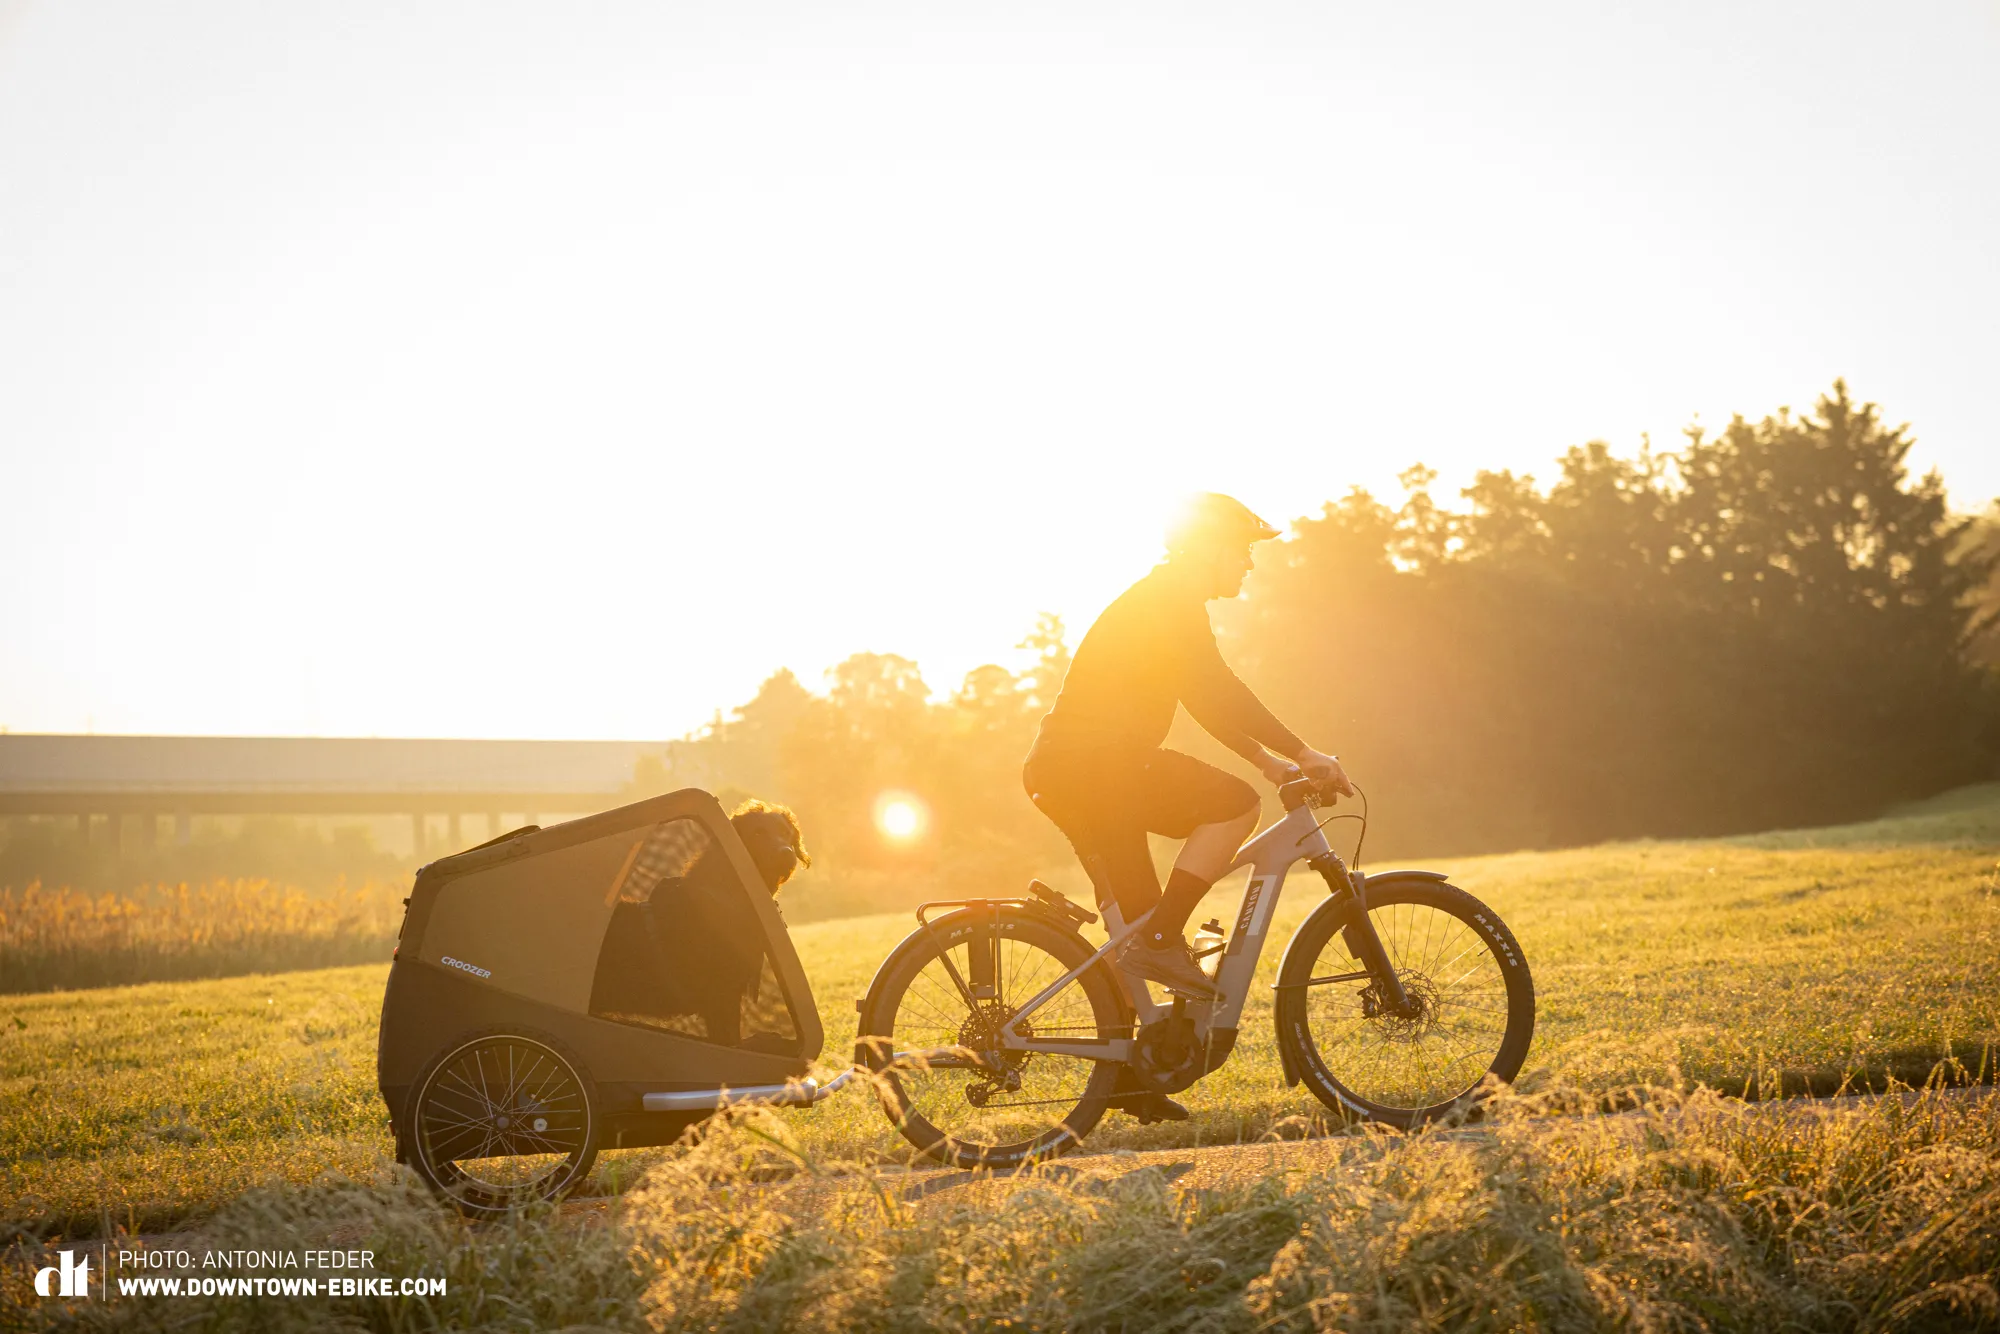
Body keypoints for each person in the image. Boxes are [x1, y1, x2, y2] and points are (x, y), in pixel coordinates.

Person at [1023, 493, 1354, 1002]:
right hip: (1097, 769)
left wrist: (1270, 761)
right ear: (1209, 548)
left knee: (1131, 924)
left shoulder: (1166, 600)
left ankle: (1129, 1067)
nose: (1247, 561)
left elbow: (1202, 698)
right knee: (1235, 805)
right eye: (1241, 548)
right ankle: (1160, 943)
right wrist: (1304, 751)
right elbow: (1217, 691)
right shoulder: (1168, 604)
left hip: (1076, 770)